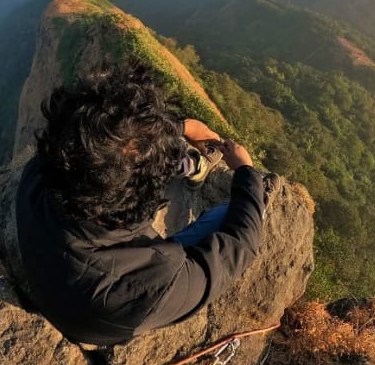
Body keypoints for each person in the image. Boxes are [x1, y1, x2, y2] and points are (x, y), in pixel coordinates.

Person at [14, 64, 265, 346]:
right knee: (226, 215)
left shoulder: (42, 174)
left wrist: (180, 128)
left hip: (61, 268)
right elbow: (240, 246)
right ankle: (188, 166)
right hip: (95, 319)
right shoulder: (153, 283)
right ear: (147, 199)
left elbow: (108, 145)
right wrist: (246, 172)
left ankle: (184, 164)